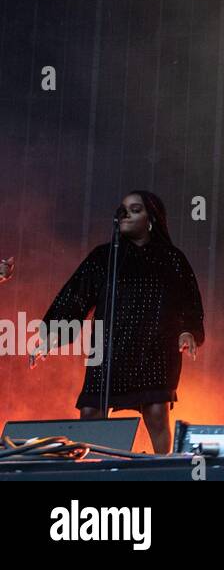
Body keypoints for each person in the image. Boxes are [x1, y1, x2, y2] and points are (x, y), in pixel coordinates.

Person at [32, 191, 205, 453]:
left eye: (135, 209)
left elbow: (189, 302)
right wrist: (53, 334)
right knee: (91, 411)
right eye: (123, 209)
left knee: (156, 411)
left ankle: (163, 467)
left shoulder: (172, 259)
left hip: (154, 349)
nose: (126, 214)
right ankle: (95, 468)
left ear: (151, 220)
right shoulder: (104, 257)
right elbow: (76, 296)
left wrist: (188, 331)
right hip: (109, 350)